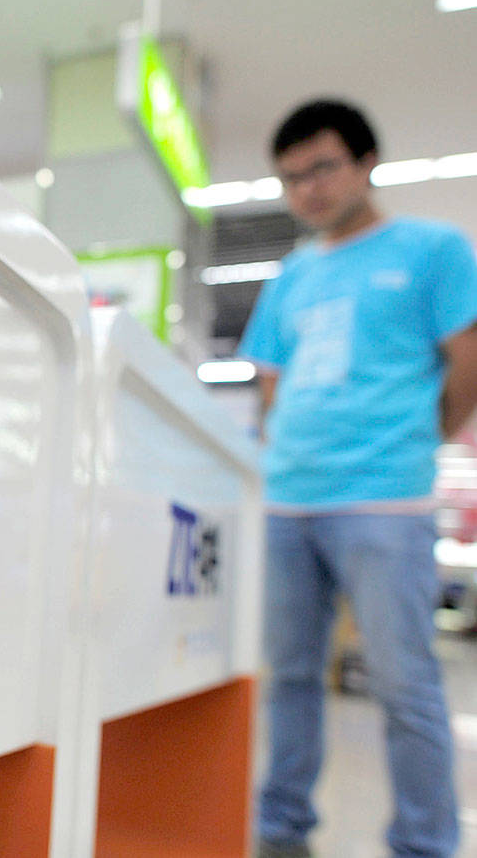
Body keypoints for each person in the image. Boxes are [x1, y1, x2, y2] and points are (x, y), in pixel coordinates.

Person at [240, 98, 477, 858]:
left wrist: (420, 436)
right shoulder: (290, 275)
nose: (308, 188)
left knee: (406, 687)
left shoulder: (434, 249)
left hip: (385, 499)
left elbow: (467, 358)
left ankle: (425, 845)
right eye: (291, 177)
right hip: (288, 501)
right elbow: (269, 378)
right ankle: (281, 833)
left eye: (323, 167)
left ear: (366, 162)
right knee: (289, 681)